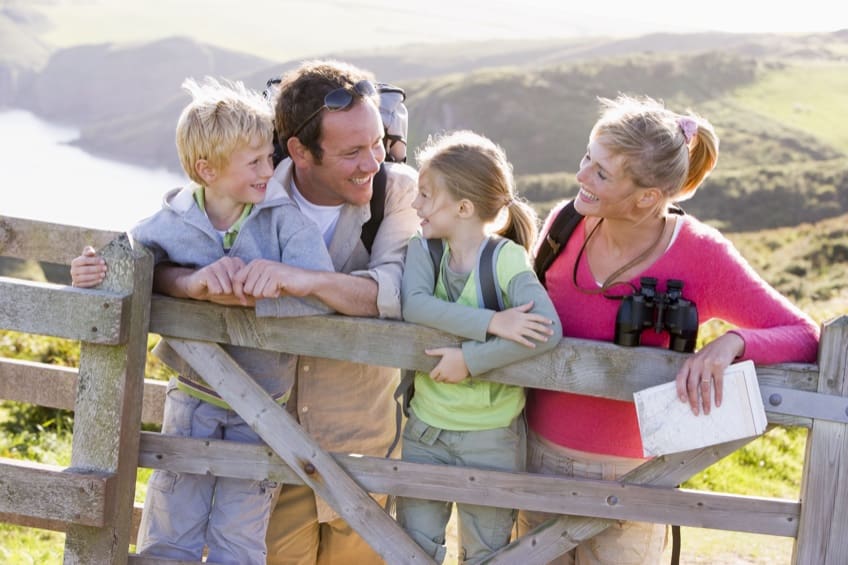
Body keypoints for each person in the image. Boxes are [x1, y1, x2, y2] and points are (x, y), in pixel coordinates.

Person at [516, 94, 821, 564]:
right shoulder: (565, 222)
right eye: (586, 158)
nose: (581, 177)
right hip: (534, 465)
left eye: (601, 173)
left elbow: (803, 335)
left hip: (637, 484)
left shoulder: (702, 254)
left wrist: (733, 344)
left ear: (647, 197)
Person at [147, 60, 420, 564]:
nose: (373, 163)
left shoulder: (396, 190)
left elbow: (396, 291)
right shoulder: (250, 176)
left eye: (379, 143)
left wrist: (301, 279)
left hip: (358, 439)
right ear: (298, 150)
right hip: (264, 434)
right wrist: (191, 285)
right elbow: (166, 249)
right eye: (352, 152)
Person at [70, 77, 336, 564]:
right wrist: (90, 269)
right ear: (205, 169)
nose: (268, 168)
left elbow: (322, 293)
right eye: (253, 161)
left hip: (263, 407)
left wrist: (274, 290)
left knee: (240, 536)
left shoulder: (285, 222)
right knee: (173, 525)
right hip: (191, 401)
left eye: (268, 156)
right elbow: (124, 263)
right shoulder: (172, 221)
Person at [398, 130, 562, 564]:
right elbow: (414, 305)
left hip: (491, 439)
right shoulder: (424, 250)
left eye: (426, 195)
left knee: (487, 555)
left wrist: (471, 361)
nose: (416, 205)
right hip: (425, 431)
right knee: (410, 550)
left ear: (464, 208)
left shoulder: (507, 259)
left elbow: (549, 330)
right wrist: (492, 322)